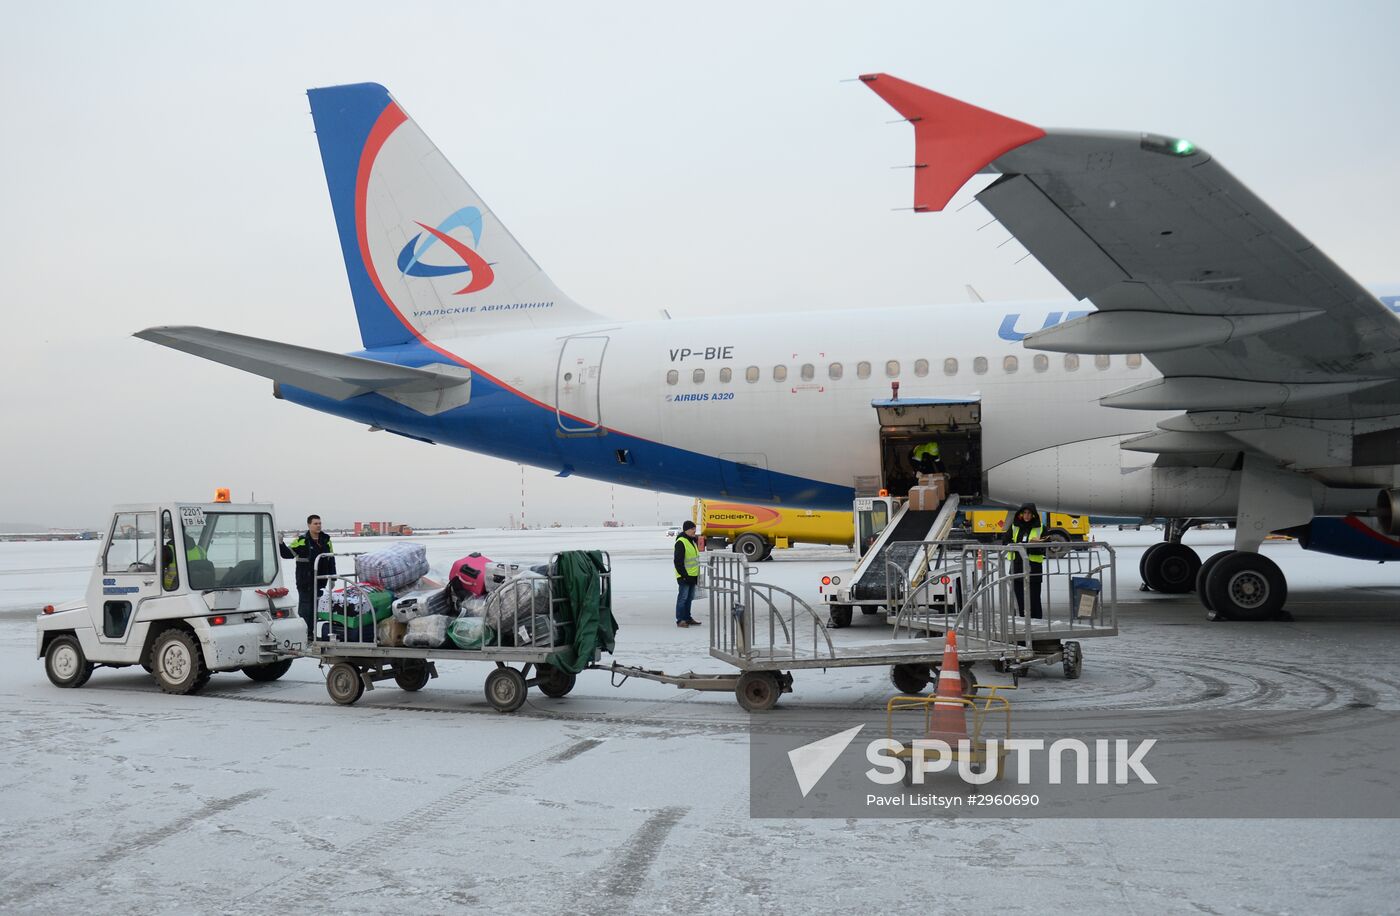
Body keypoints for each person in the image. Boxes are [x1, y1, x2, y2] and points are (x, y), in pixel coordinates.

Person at [280, 514, 334, 639]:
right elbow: (288, 554)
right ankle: (303, 634)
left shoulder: (326, 540)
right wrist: (281, 544)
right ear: (309, 525)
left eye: (319, 523)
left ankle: (311, 634)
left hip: (320, 581)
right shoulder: (302, 540)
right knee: (305, 609)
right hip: (305, 581)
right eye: (315, 523)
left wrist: (333, 578)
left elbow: (331, 560)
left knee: (315, 609)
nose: (318, 526)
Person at [1001, 503, 1044, 619]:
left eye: (1029, 513)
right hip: (1017, 567)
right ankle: (1023, 620)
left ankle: (1036, 621)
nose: (1027, 515)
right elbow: (1005, 541)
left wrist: (1033, 546)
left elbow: (1045, 546)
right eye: (1024, 513)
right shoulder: (1015, 526)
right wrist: (1016, 546)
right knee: (1020, 599)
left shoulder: (1040, 527)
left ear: (1033, 515)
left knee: (1034, 599)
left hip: (1033, 568)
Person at [673, 520, 702, 628]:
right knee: (683, 598)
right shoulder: (681, 542)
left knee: (689, 598)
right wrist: (684, 576)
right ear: (686, 530)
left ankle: (687, 618)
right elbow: (678, 562)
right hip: (684, 576)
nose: (694, 531)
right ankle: (680, 620)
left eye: (695, 528)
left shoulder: (692, 541)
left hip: (693, 576)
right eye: (692, 529)